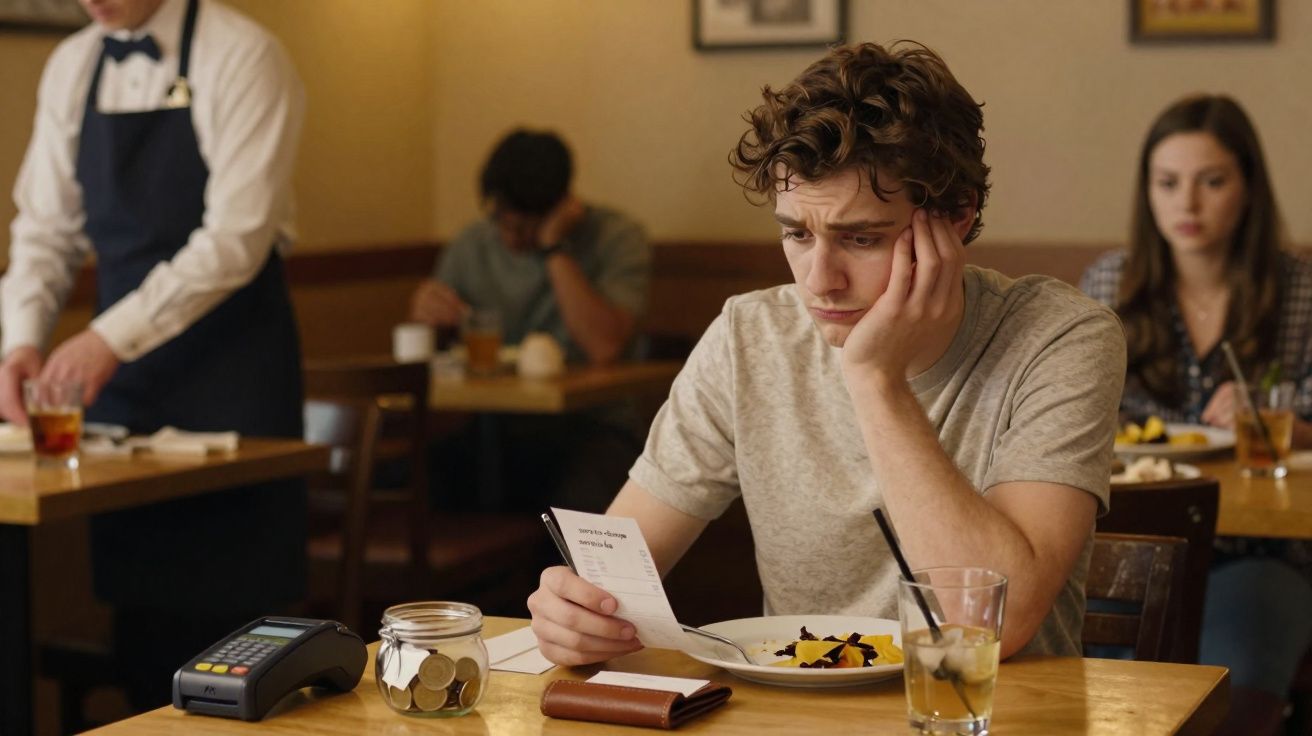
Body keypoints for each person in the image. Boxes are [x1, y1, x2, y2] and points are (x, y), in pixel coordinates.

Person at [527, 41, 1126, 666]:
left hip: (989, 719)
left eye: (860, 238)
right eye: (796, 234)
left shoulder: (1061, 336)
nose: (819, 280)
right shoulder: (748, 336)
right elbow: (609, 580)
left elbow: (991, 625)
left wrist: (874, 379)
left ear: (953, 218)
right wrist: (573, 611)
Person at [0, 0, 306, 709]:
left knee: (238, 638)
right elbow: (44, 230)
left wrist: (108, 337)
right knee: (144, 628)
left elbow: (238, 236)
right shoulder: (72, 65)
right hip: (127, 394)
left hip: (235, 382)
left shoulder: (245, 54)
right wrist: (19, 340)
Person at [1080, 94, 1312, 735]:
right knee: (1103, 708)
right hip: (1126, 540)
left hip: (1258, 550)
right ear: (1147, 191)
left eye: (1212, 182)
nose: (1187, 204)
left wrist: (1285, 422)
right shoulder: (1110, 284)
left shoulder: (1299, 289)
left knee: (1232, 709)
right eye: (1168, 183)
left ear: (1248, 188)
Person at [410, 130, 652, 513]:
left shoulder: (616, 238)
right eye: (500, 220)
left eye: (524, 227)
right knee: (419, 481)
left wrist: (554, 247)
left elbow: (603, 346)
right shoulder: (472, 245)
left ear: (560, 208)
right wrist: (429, 317)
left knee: (580, 499)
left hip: (592, 424)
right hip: (493, 426)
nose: (509, 237)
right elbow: (439, 351)